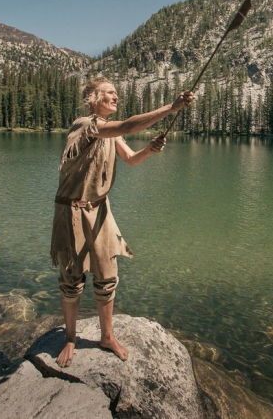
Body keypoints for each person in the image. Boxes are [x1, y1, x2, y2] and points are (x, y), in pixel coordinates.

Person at [51, 76, 195, 366]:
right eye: (109, 93)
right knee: (71, 279)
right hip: (72, 211)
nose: (116, 97)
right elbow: (129, 125)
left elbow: (130, 158)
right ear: (93, 98)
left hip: (101, 210)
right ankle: (70, 337)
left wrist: (149, 151)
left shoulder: (109, 133)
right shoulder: (86, 125)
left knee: (107, 276)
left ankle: (107, 336)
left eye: (117, 93)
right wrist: (171, 107)